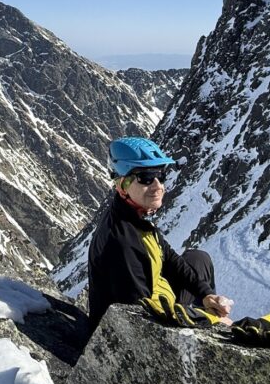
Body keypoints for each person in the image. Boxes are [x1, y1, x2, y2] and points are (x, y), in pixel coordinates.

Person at [86, 136, 235, 329]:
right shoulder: (122, 243)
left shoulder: (134, 218)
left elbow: (171, 260)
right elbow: (141, 316)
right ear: (123, 185)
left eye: (160, 175)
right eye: (146, 178)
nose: (158, 186)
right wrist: (210, 320)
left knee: (198, 259)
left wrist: (206, 295)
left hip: (155, 298)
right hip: (127, 329)